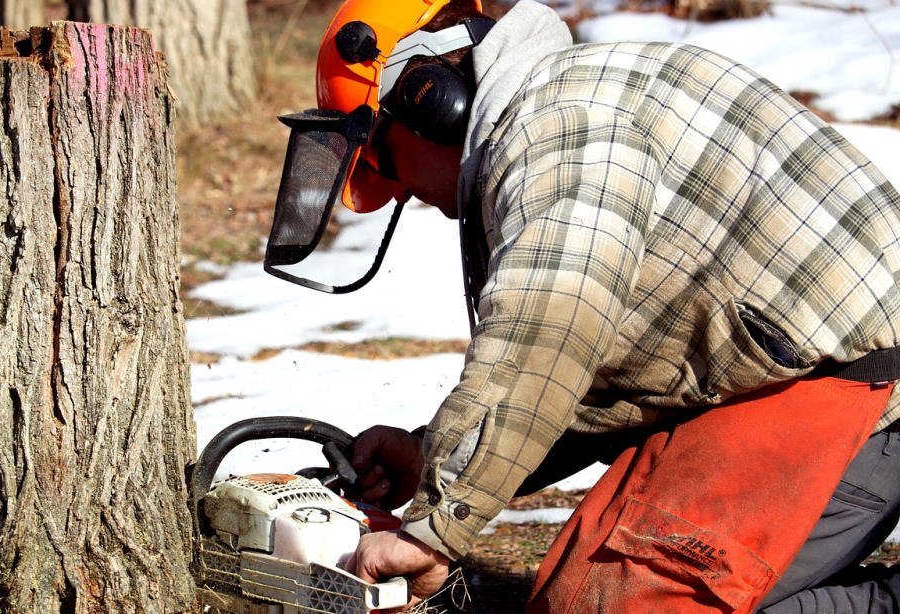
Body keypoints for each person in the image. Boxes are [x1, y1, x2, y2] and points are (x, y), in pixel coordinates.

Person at [264, 0, 900, 611]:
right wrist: (430, 455)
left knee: (622, 605)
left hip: (861, 387)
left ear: (430, 101)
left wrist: (427, 536)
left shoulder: (562, 127)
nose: (400, 188)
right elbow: (580, 381)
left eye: (382, 158)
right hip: (788, 374)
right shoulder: (564, 112)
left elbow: (549, 333)